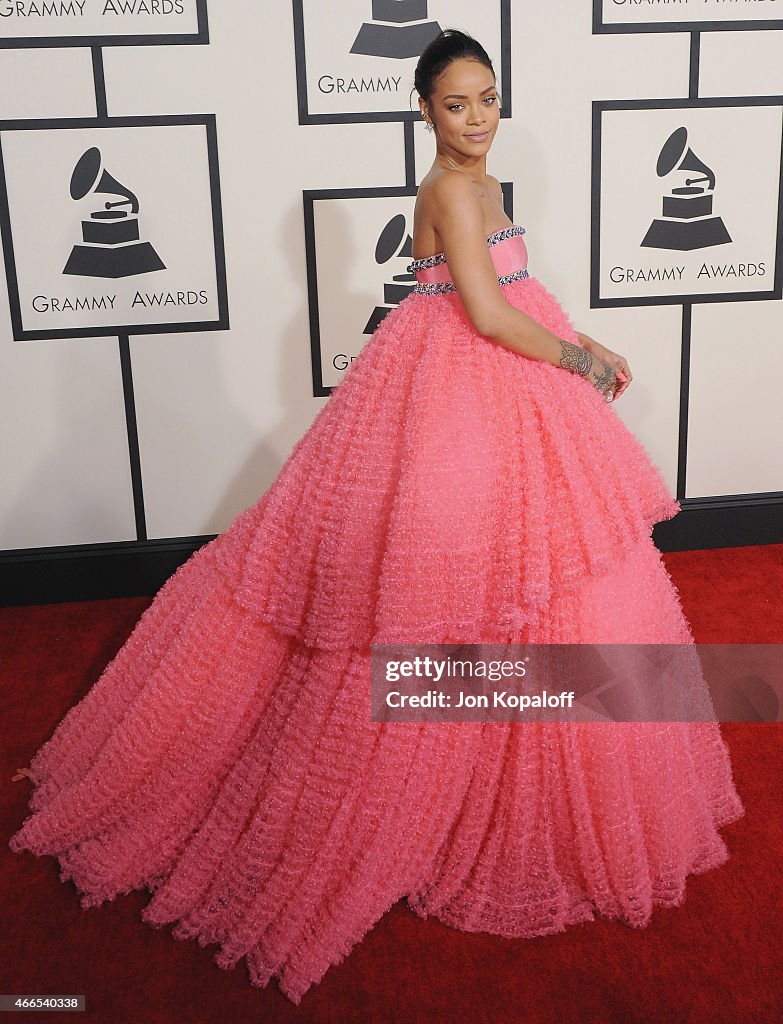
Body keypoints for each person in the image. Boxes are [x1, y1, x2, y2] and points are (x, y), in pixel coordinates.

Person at [10, 29, 744, 1008]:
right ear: (423, 110)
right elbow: (484, 314)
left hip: (506, 392)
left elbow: (519, 291)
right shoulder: (447, 190)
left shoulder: (486, 182)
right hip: (457, 396)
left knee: (540, 583)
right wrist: (577, 364)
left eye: (488, 99)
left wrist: (586, 340)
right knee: (453, 590)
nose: (477, 120)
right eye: (456, 104)